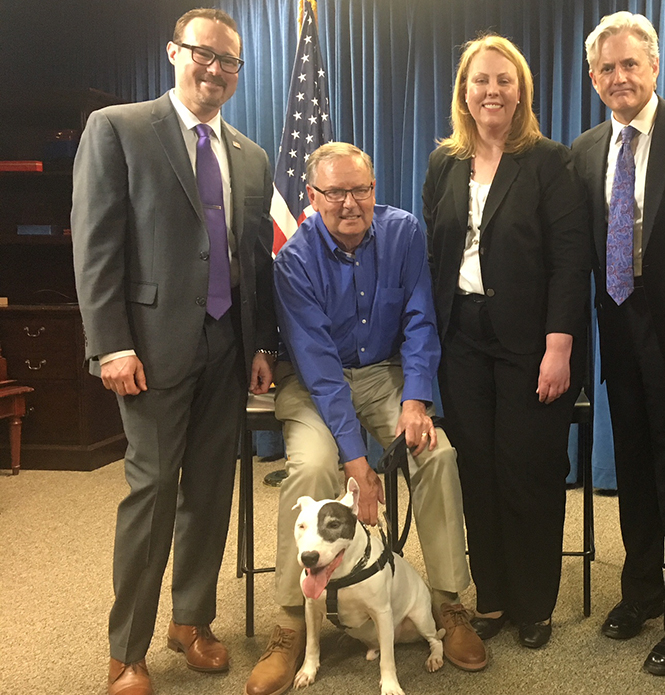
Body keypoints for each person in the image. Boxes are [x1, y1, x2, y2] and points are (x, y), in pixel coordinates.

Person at [70, 9, 277, 695]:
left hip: (227, 346)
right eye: (203, 54)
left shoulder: (249, 155)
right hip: (149, 351)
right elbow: (95, 246)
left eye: (229, 62)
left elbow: (253, 260)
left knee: (211, 492)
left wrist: (259, 345)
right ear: (174, 53)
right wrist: (111, 344)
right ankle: (125, 649)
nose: (215, 69)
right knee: (154, 491)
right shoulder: (120, 129)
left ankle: (190, 621)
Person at [244, 142, 486, 695]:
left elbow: (421, 320)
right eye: (335, 192)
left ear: (375, 189)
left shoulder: (402, 232)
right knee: (309, 472)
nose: (351, 203)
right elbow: (321, 370)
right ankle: (288, 624)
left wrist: (416, 400)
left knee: (437, 454)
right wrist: (358, 466)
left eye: (362, 190)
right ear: (312, 196)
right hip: (313, 386)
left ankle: (448, 605)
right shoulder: (295, 258)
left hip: (384, 376)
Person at [422, 34, 590, 650]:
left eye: (504, 80)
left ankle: (534, 600)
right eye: (480, 80)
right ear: (464, 93)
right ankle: (491, 596)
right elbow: (437, 257)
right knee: (478, 470)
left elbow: (571, 261)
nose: (492, 91)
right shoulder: (443, 162)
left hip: (532, 342)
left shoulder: (550, 160)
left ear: (521, 91)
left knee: (529, 470)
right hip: (461, 339)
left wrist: (559, 345)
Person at [570, 11, 665, 677]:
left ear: (655, 68)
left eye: (631, 64)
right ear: (594, 78)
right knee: (632, 465)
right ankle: (642, 591)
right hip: (618, 330)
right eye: (607, 68)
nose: (619, 77)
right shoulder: (584, 151)